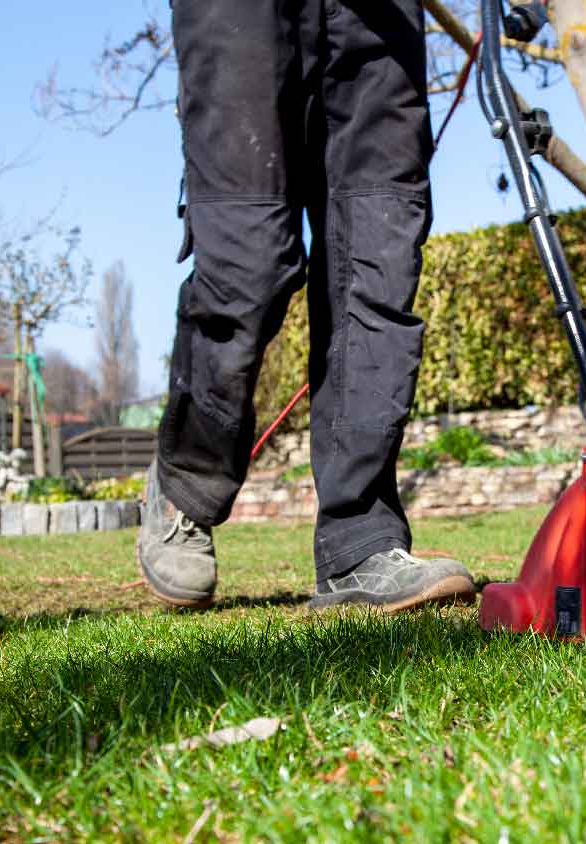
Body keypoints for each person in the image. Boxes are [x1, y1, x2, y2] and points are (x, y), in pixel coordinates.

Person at [137, 0, 476, 612]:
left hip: (382, 20)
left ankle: (359, 540)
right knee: (249, 261)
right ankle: (183, 486)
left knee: (378, 256)